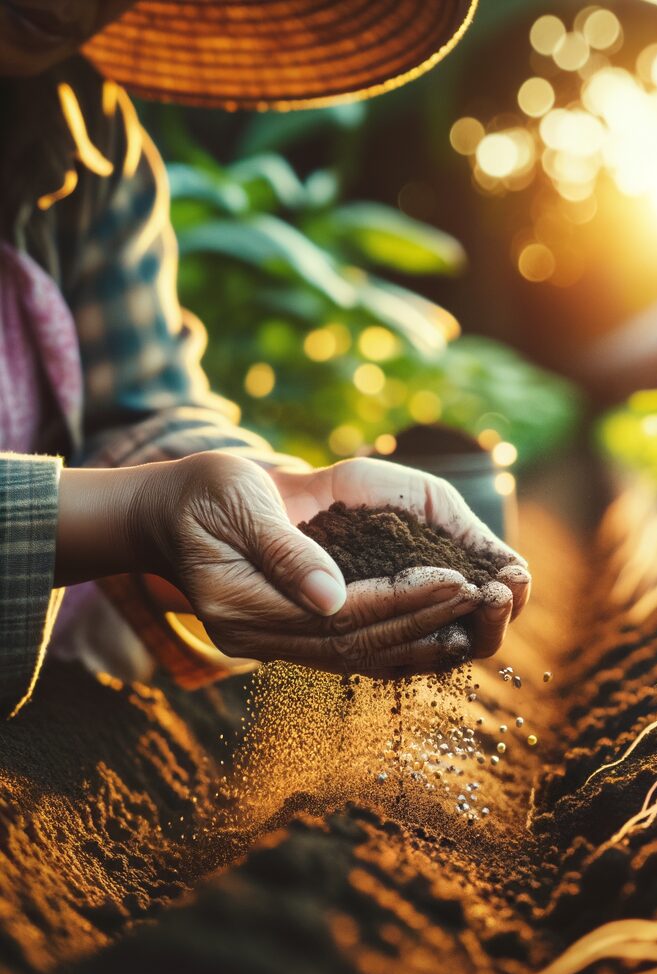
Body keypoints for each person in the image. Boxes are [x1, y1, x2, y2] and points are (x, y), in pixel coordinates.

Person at [0, 0, 531, 719]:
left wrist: (280, 500)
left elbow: (137, 407)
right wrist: (136, 517)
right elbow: (141, 502)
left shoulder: (90, 136)